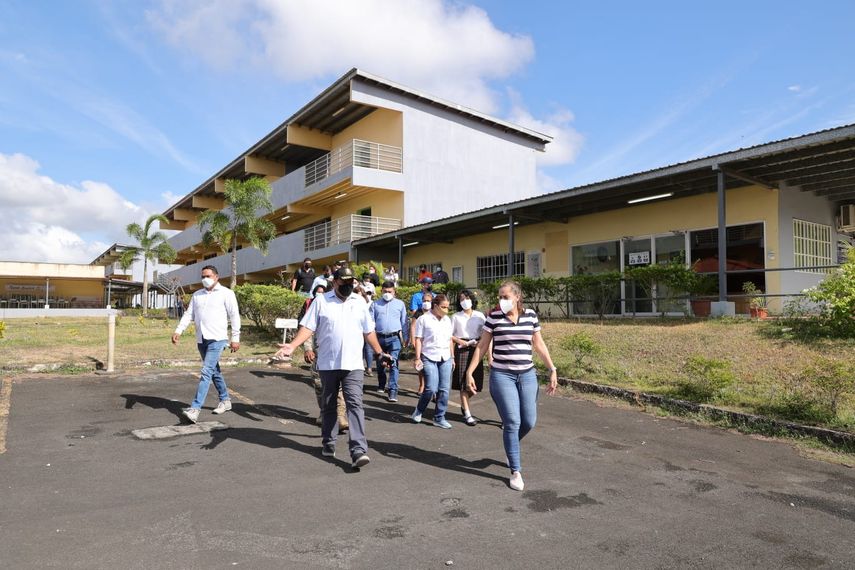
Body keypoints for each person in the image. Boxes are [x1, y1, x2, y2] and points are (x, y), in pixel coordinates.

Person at [275, 267, 392, 470]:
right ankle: (328, 441)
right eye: (344, 282)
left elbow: (369, 331)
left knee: (355, 404)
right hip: (328, 364)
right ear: (335, 282)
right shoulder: (322, 301)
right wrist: (292, 346)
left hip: (353, 364)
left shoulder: (360, 302)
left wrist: (380, 352)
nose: (348, 286)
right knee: (328, 405)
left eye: (351, 283)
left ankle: (358, 450)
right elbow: (308, 327)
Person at [466, 281, 558, 492]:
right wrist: (470, 371)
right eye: (500, 296)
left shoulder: (530, 316)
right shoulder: (494, 317)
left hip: (527, 374)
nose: (502, 300)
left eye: (506, 296)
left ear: (517, 297)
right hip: (502, 375)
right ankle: (515, 470)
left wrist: (552, 368)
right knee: (512, 422)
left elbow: (539, 345)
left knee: (529, 421)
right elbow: (482, 346)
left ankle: (511, 446)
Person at [172, 265, 241, 423]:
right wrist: (178, 330)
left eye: (208, 276)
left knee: (206, 371)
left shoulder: (227, 294)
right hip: (201, 339)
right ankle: (225, 400)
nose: (205, 279)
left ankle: (195, 408)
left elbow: (234, 316)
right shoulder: (197, 295)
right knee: (214, 371)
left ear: (216, 277)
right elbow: (189, 315)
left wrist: (235, 338)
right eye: (203, 276)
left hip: (218, 339)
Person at [299, 284, 348, 431]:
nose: (320, 296)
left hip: (338, 355)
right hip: (319, 355)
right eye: (317, 293)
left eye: (323, 293)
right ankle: (324, 413)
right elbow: (307, 330)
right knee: (320, 386)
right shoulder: (314, 306)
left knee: (339, 388)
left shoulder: (339, 306)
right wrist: (308, 349)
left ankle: (340, 416)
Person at [412, 293, 454, 429]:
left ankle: (439, 417)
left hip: (445, 357)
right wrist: (417, 358)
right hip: (429, 356)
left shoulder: (448, 320)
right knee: (430, 388)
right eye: (443, 307)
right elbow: (418, 339)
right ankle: (419, 410)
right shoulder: (423, 319)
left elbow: (450, 340)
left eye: (447, 307)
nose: (446, 310)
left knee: (444, 389)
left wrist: (452, 357)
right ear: (435, 306)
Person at [451, 290, 487, 426]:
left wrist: (481, 343)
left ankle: (464, 402)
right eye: (461, 299)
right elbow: (450, 335)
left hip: (477, 348)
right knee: (463, 382)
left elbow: (486, 333)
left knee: (475, 383)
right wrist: (460, 342)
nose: (464, 301)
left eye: (467, 298)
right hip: (462, 349)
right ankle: (467, 413)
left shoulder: (480, 316)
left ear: (472, 299)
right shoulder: (455, 316)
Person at [369, 281, 409, 401]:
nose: (387, 294)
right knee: (380, 364)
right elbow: (370, 323)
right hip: (379, 338)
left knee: (394, 364)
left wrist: (406, 338)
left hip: (394, 338)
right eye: (385, 291)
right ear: (381, 291)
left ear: (394, 292)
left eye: (390, 292)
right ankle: (381, 384)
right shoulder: (375, 304)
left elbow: (404, 322)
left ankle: (393, 390)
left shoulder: (400, 304)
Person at [408, 290, 433, 395]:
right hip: (420, 342)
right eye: (424, 300)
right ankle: (421, 385)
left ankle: (431, 387)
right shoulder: (418, 312)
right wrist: (412, 339)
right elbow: (413, 326)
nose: (426, 302)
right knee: (420, 365)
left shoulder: (434, 312)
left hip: (430, 342)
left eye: (428, 300)